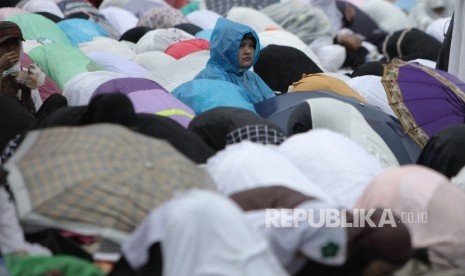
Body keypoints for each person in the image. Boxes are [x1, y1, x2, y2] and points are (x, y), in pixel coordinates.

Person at [194, 17, 276, 104]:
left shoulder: (250, 77)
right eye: (241, 45)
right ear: (224, 48)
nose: (248, 51)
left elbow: (272, 103)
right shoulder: (212, 78)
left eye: (251, 46)